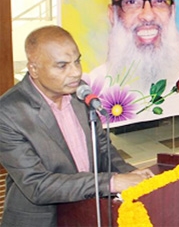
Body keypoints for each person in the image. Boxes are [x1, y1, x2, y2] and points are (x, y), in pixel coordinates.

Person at [0, 26, 153, 226]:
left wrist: (133, 176)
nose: (75, 72)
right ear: (34, 69)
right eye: (62, 66)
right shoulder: (8, 112)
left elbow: (102, 148)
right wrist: (113, 182)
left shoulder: (80, 93)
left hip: (87, 210)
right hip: (43, 219)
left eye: (77, 61)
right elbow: (37, 184)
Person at [90, 0, 179, 92]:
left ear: (172, 11)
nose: (148, 15)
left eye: (160, 1)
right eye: (132, 2)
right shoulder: (94, 87)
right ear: (112, 14)